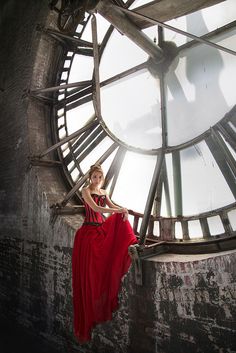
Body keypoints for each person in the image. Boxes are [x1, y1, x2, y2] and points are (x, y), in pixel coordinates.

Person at [72, 164, 137, 343]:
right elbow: (97, 209)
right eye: (94, 177)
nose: (97, 180)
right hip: (88, 232)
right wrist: (117, 211)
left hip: (99, 228)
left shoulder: (104, 191)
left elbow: (112, 205)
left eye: (100, 177)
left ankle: (132, 245)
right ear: (90, 177)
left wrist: (122, 209)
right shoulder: (86, 191)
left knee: (120, 218)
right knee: (92, 271)